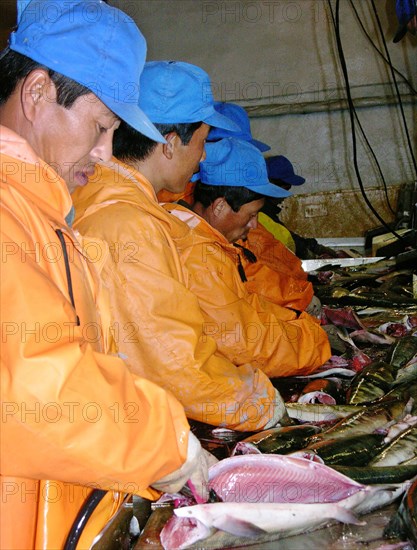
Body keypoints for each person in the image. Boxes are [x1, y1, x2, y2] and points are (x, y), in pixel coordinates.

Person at [0, 4, 210, 548]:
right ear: (39, 93)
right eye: (100, 127)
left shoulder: (43, 214)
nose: (104, 155)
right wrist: (162, 440)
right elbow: (33, 391)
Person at [72, 61, 290, 431]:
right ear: (171, 144)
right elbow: (172, 363)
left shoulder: (115, 201)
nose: (203, 157)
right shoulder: (128, 223)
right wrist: (259, 407)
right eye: (202, 142)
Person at [163, 138, 331, 378]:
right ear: (219, 206)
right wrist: (316, 344)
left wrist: (300, 322)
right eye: (251, 215)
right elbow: (242, 343)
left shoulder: (204, 237)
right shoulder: (194, 252)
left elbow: (244, 304)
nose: (254, 225)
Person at [261, 155, 341, 260]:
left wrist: (315, 248)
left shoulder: (268, 211)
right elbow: (285, 241)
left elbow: (289, 236)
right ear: (270, 184)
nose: (286, 194)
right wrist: (310, 254)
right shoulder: (260, 213)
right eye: (285, 187)